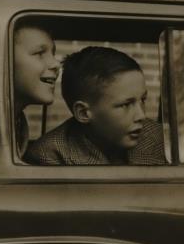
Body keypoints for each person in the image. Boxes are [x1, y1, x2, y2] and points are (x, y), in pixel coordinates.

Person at [24, 46, 166, 166]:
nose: (141, 115)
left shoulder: (160, 137)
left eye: (143, 100)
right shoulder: (50, 155)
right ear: (84, 113)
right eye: (126, 104)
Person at [12, 20, 61, 154]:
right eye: (40, 53)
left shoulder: (16, 120)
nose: (56, 63)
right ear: (4, 58)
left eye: (53, 53)